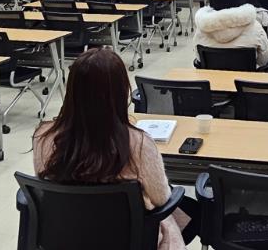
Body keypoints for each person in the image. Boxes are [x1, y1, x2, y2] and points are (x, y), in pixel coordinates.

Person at [33, 48, 197, 250]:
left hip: (66, 236)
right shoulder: (138, 143)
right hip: (128, 239)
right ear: (120, 92)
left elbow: (44, 183)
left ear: (72, 90)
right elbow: (161, 198)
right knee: (190, 213)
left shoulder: (43, 137)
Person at [193, 0, 268, 67]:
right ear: (240, 0)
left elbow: (199, 59)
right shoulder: (254, 27)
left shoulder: (202, 29)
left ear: (214, 0)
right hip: (244, 75)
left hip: (211, 76)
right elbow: (264, 60)